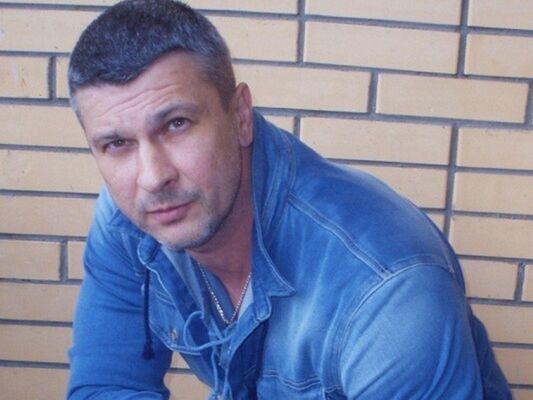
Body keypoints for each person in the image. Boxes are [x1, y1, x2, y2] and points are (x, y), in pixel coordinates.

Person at [66, 0, 511, 399]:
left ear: (240, 116)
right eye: (117, 144)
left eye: (176, 124)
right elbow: (109, 385)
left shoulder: (387, 289)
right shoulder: (131, 219)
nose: (152, 177)